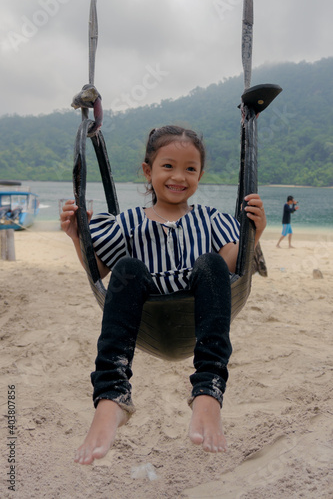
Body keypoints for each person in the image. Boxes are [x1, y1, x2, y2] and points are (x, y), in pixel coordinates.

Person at [61, 125, 267, 464]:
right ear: (148, 171)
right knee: (127, 267)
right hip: (144, 311)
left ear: (200, 174)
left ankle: (209, 390)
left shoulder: (211, 219)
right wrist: (75, 237)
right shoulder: (125, 223)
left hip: (198, 306)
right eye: (168, 166)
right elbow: (98, 273)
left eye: (190, 169)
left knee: (212, 263)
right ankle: (112, 396)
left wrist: (252, 236)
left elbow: (232, 266)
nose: (179, 177)